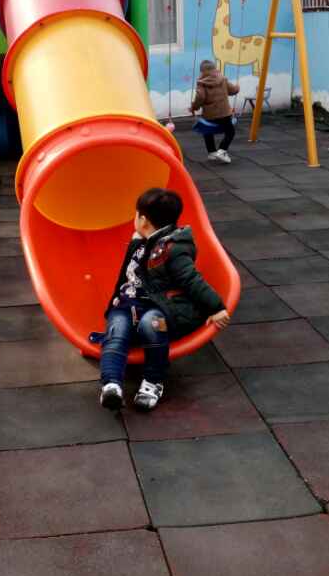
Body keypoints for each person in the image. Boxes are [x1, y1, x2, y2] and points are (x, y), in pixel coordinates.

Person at [97, 188, 230, 412]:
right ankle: (111, 385)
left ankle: (152, 381)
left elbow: (191, 279)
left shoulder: (172, 249)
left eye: (136, 215)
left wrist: (216, 307)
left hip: (159, 307)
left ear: (143, 220)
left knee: (152, 325)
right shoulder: (141, 242)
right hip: (127, 305)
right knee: (116, 331)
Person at [190, 59, 240, 164]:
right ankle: (222, 150)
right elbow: (233, 90)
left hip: (209, 115)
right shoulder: (223, 79)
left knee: (207, 130)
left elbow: (200, 97)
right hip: (224, 113)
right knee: (230, 132)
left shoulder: (201, 83)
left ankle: (212, 152)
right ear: (214, 69)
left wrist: (194, 107)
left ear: (202, 71)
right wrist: (237, 87)